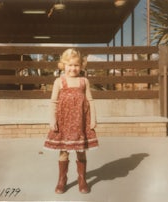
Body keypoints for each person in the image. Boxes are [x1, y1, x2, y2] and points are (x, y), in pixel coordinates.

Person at [44, 48, 99, 194]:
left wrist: (93, 119)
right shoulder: (59, 81)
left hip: (81, 121)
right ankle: (62, 180)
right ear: (63, 65)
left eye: (76, 65)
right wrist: (52, 119)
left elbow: (90, 100)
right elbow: (53, 102)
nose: (73, 68)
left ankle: (82, 179)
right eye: (69, 65)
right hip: (64, 121)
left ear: (81, 66)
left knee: (81, 151)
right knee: (64, 151)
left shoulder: (84, 81)